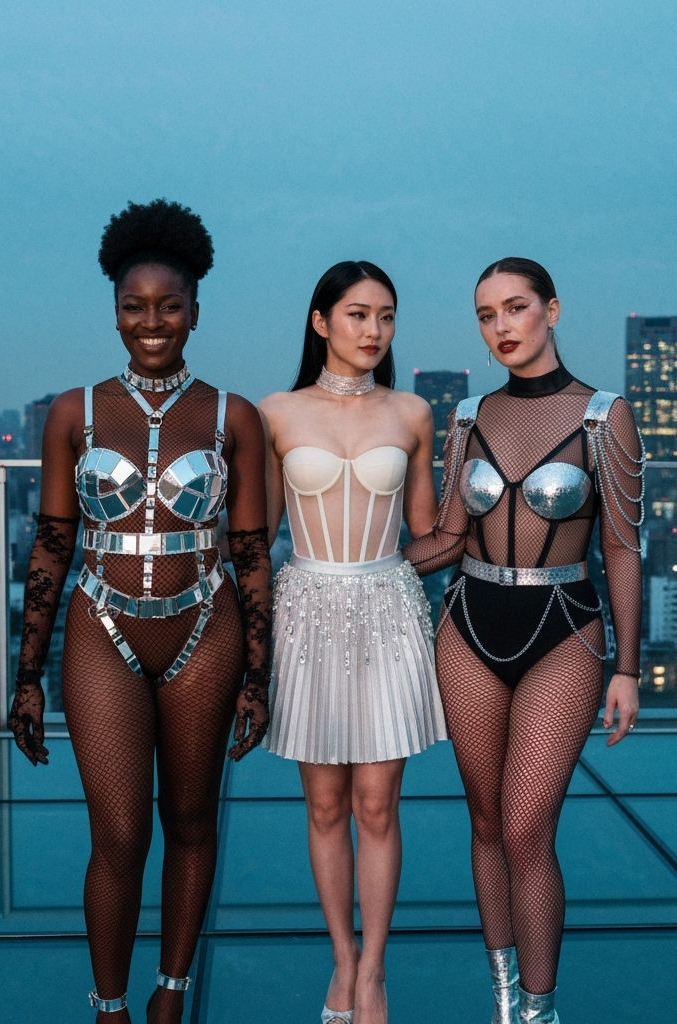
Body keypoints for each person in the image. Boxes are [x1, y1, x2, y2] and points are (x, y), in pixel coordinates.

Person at [7, 199, 272, 1024]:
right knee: (119, 837)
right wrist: (26, 677)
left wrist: (258, 677)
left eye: (169, 306)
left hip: (206, 625)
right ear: (113, 312)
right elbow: (52, 546)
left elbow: (255, 554)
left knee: (190, 822)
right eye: (134, 306)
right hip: (100, 626)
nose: (151, 322)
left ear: (195, 311)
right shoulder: (72, 413)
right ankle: (110, 1005)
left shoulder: (235, 417)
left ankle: (172, 992)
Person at [404, 258, 643, 1024]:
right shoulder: (470, 415)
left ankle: (542, 1013)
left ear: (553, 310)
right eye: (486, 314)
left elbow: (621, 549)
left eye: (516, 308)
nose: (501, 326)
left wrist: (628, 670)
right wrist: (357, 564)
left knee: (525, 827)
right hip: (467, 622)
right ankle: (505, 1004)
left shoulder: (606, 414)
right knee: (483, 821)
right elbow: (447, 535)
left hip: (564, 627)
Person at [259, 261, 447, 1024]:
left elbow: (432, 536)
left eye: (387, 318)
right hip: (302, 606)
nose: (374, 332)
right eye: (358, 315)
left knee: (378, 805)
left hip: (389, 606)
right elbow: (256, 539)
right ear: (320, 322)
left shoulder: (411, 412)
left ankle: (373, 973)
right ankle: (341, 958)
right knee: (325, 805)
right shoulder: (275, 411)